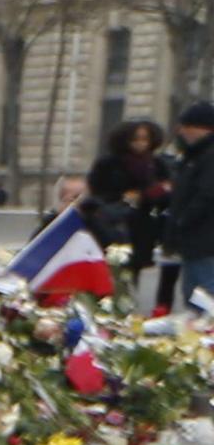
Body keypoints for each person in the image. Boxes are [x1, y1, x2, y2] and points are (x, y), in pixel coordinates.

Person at [84, 119, 171, 307]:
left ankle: (127, 307)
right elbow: (97, 191)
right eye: (135, 139)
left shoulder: (156, 164)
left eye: (145, 139)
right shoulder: (108, 163)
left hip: (142, 227)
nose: (140, 144)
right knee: (110, 271)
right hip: (112, 225)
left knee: (133, 274)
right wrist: (122, 197)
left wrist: (150, 194)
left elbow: (166, 192)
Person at [166, 104, 214, 311]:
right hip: (193, 240)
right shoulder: (193, 156)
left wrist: (183, 220)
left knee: (204, 295)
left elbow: (206, 194)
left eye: (187, 126)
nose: (181, 131)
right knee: (193, 296)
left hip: (204, 239)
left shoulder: (208, 156)